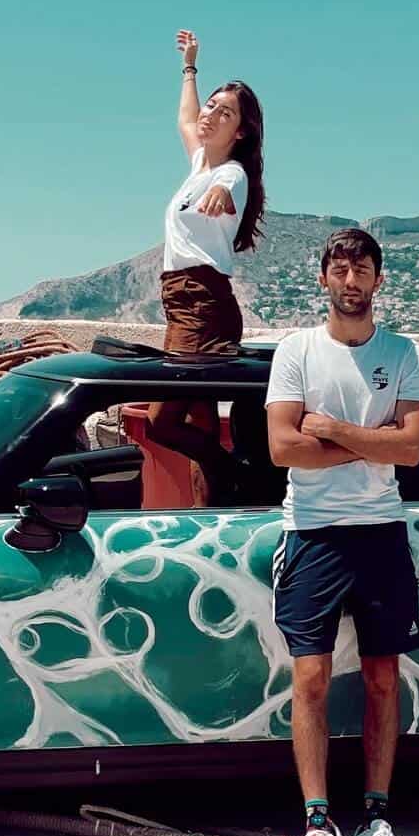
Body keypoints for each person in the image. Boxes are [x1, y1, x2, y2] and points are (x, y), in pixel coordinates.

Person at [266, 227, 419, 836]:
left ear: (378, 280)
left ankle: (377, 818)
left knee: (383, 679)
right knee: (310, 679)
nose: (351, 280)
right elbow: (283, 448)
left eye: (362, 269)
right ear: (324, 279)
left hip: (381, 533)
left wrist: (333, 429)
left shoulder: (404, 353)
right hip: (312, 533)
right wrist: (374, 441)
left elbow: (412, 450)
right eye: (340, 269)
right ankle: (317, 827)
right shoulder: (297, 351)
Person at [149, 28, 267, 498]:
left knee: (161, 423)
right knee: (199, 426)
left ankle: (236, 474)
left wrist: (221, 193)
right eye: (211, 106)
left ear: (240, 131)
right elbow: (185, 116)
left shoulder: (231, 173)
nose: (211, 114)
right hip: (183, 303)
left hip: (202, 305)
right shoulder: (199, 163)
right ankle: (212, 505)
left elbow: (230, 186)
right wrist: (189, 67)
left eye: (225, 112)